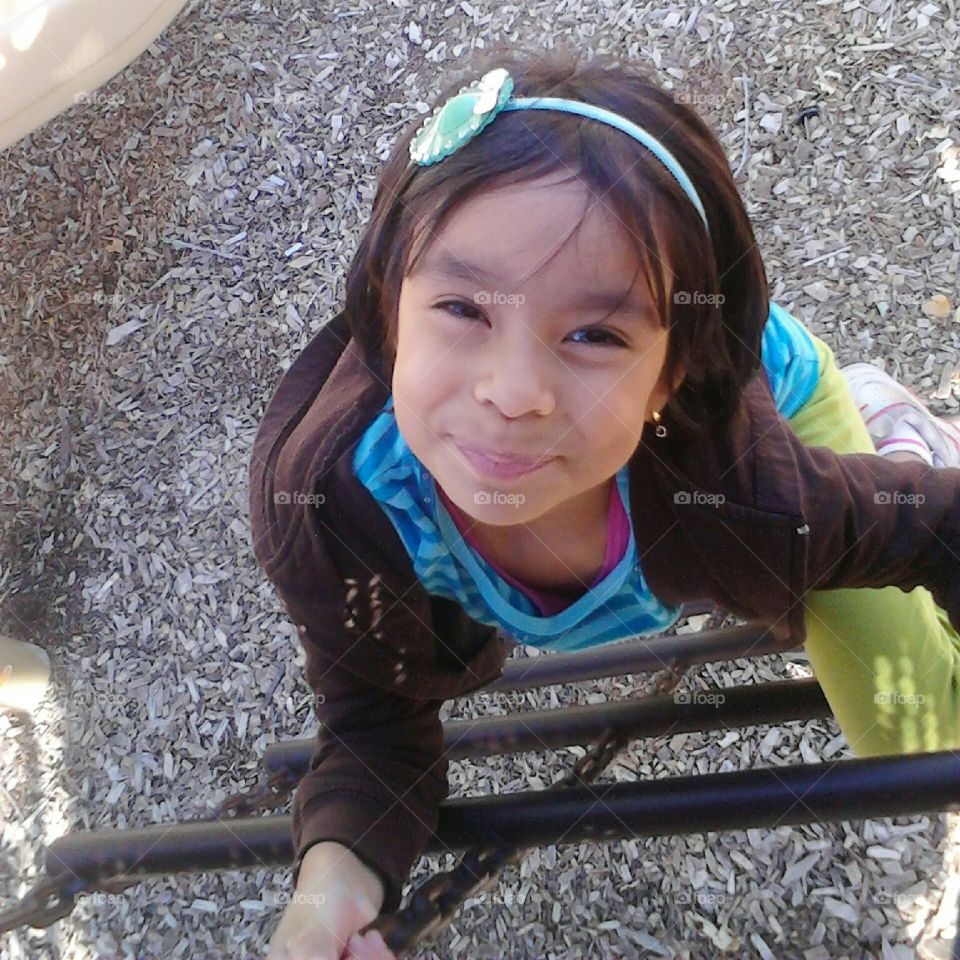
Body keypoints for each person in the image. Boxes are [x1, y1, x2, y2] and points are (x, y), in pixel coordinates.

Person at [252, 44, 960, 960]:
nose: (513, 392)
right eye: (462, 309)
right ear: (388, 310)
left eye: (593, 333)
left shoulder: (750, 504)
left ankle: (890, 433)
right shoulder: (338, 512)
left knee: (918, 731)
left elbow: (942, 530)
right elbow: (373, 724)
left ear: (671, 377)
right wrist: (331, 888)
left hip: (790, 417)